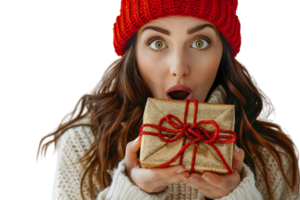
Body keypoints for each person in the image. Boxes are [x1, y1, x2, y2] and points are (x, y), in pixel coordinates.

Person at [34, 0, 300, 199]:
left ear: (224, 56)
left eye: (200, 43)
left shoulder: (274, 155)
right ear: (133, 54)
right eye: (157, 43)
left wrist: (237, 195)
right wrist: (132, 191)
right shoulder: (82, 146)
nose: (179, 67)